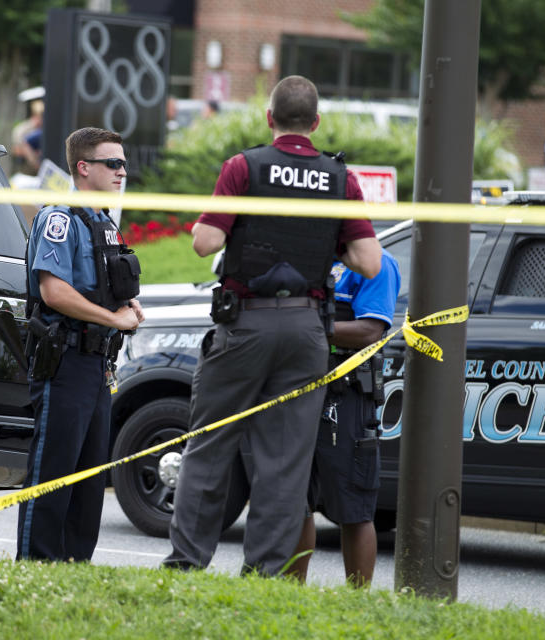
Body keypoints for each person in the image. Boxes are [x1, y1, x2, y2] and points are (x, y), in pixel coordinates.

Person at [162, 75, 382, 576]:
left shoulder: (244, 167)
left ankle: (187, 563)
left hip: (245, 326)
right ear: (317, 123)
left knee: (210, 445)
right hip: (308, 331)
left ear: (269, 118)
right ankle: (264, 574)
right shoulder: (340, 179)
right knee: (285, 463)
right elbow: (369, 262)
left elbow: (204, 243)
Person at [17, 127, 144, 562]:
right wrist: (113, 318)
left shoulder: (103, 222)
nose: (122, 171)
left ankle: (73, 571)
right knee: (53, 474)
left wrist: (127, 303)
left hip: (96, 365)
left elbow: (99, 284)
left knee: (90, 483)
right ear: (84, 168)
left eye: (124, 163)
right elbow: (54, 291)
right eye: (113, 163)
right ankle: (35, 568)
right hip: (65, 361)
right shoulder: (60, 217)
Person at [291, 249, 401, 587]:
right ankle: (286, 595)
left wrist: (308, 328)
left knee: (353, 505)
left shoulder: (376, 262)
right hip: (295, 388)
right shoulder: (306, 255)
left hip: (346, 395)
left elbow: (371, 329)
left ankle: (356, 603)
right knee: (293, 502)